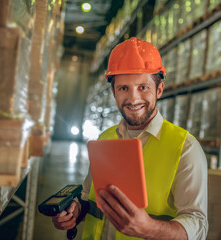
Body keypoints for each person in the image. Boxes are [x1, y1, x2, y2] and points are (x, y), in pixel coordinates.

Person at [51, 37, 208, 239]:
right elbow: (88, 197)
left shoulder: (185, 148)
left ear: (159, 90)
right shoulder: (104, 139)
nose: (133, 99)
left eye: (143, 87)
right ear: (114, 92)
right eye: (124, 88)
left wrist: (149, 228)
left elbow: (198, 225)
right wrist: (75, 212)